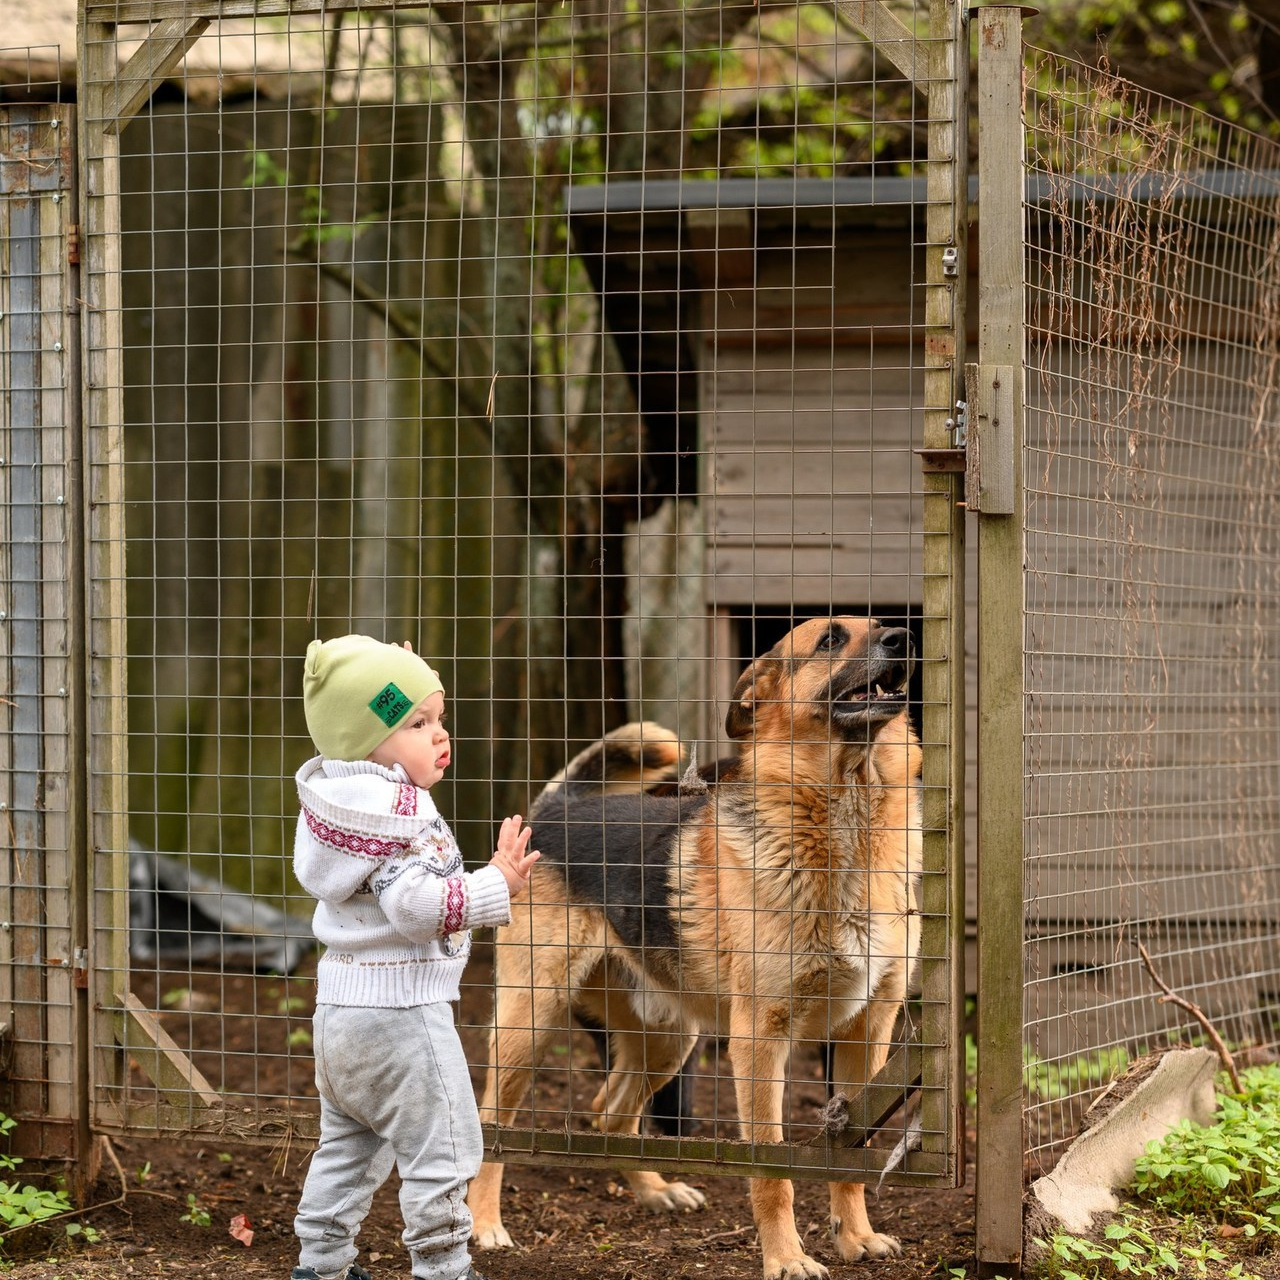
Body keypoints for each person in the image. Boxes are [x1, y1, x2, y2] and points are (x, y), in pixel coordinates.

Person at [289, 635, 539, 1280]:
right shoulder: (398, 819)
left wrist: (395, 679)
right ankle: (444, 1267)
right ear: (366, 738)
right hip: (403, 1016)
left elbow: (364, 705)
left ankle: (320, 1266)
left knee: (346, 1148)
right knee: (447, 1148)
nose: (439, 734)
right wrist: (496, 883)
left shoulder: (341, 804)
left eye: (440, 717)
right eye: (416, 723)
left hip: (339, 1016)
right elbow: (416, 908)